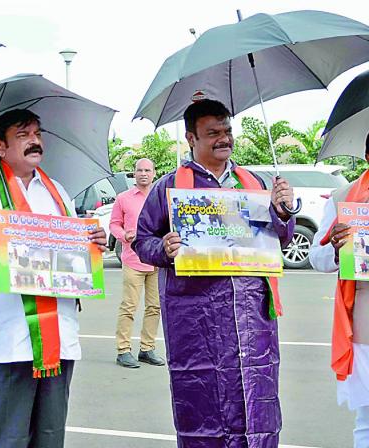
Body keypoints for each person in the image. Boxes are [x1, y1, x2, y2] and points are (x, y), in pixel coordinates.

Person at [132, 99, 295, 447]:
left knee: (258, 402)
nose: (224, 139)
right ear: (191, 138)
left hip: (252, 316)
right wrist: (164, 249)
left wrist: (283, 211)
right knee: (203, 404)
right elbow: (142, 240)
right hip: (197, 320)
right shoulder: (171, 187)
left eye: (227, 131)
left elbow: (280, 237)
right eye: (213, 133)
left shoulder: (254, 183)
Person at [0, 109, 108, 447]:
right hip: (1, 343)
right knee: (3, 441)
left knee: (50, 440)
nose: (35, 141)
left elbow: (72, 252)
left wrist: (94, 242)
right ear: (0, 146)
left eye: (37, 133)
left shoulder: (58, 194)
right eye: (23, 135)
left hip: (57, 340)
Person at [310, 132, 369, 447]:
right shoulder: (345, 198)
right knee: (368, 420)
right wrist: (334, 249)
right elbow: (316, 258)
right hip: (365, 322)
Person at [109, 158, 163, 368]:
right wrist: (124, 235)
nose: (143, 173)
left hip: (156, 261)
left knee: (154, 307)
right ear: (134, 173)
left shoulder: (159, 197)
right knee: (129, 307)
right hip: (133, 260)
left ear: (153, 173)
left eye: (147, 170)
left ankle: (147, 349)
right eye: (139, 170)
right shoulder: (123, 198)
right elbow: (114, 225)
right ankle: (123, 350)